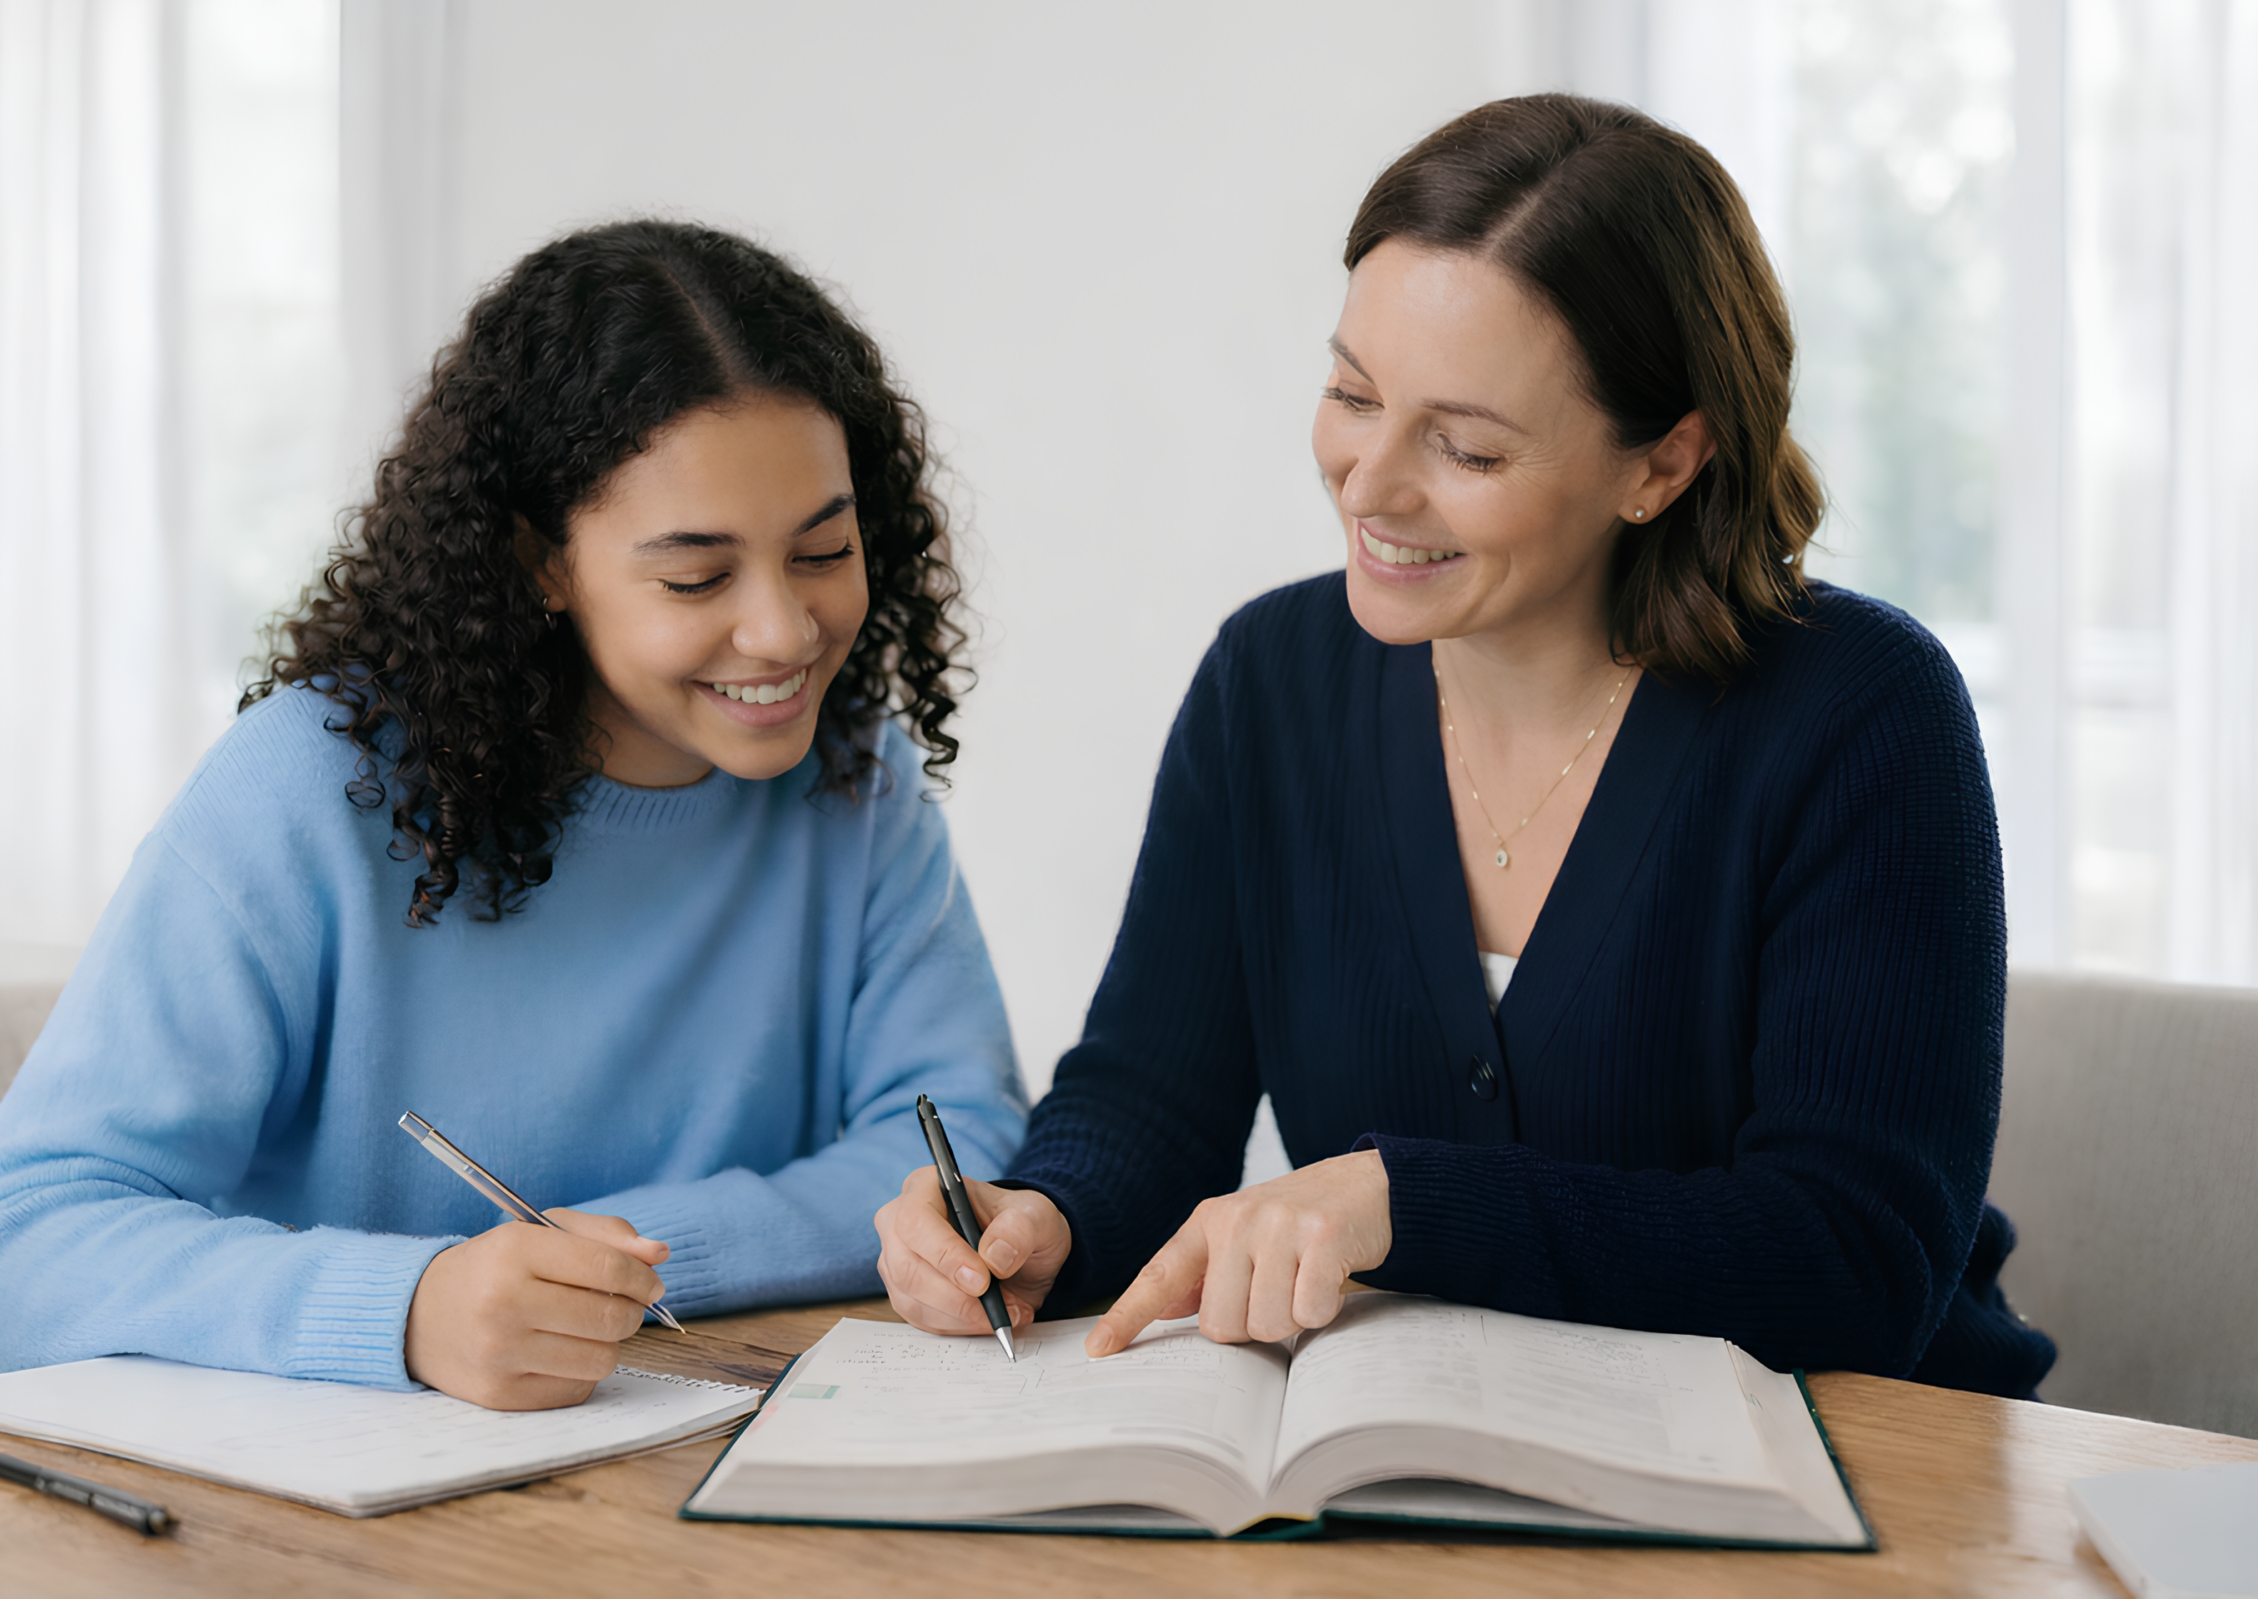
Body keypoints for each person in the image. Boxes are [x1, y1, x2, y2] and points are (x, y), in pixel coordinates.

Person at [874, 95, 2056, 1399]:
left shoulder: (1861, 711)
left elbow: (1854, 1259)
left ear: (1661, 465)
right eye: (1351, 393)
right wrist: (1048, 1213)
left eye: (1466, 447)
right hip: (1444, 1438)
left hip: (1863, 1456)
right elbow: (1148, 1097)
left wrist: (1406, 1202)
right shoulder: (1269, 682)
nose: (1368, 482)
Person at [0, 220, 1027, 1410]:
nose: (782, 631)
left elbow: (955, 1141)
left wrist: (629, 1261)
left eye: (823, 549)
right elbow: (15, 1246)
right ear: (540, 561)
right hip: (339, 1480)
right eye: (696, 577)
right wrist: (409, 1309)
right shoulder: (310, 786)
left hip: (684, 1445)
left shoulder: (856, 776)